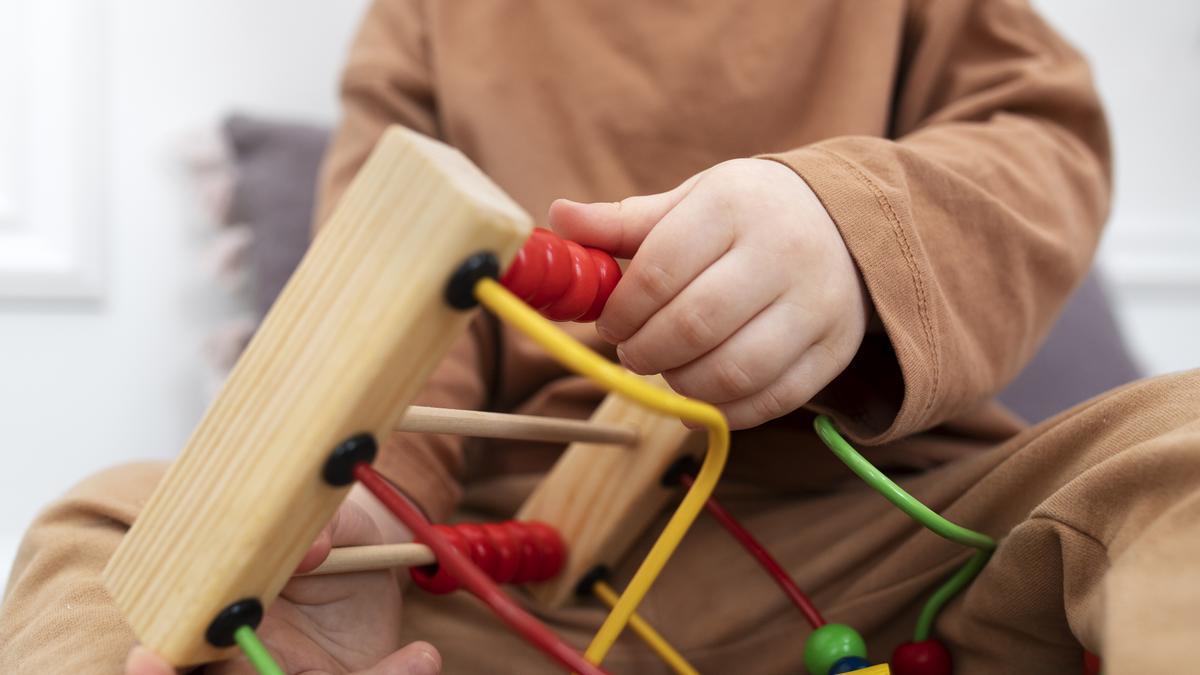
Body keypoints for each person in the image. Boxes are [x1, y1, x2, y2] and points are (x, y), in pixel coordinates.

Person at [3, 1, 1198, 673]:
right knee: (111, 528)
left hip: (884, 536)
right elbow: (381, 279)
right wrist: (362, 509)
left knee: (1181, 447)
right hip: (512, 580)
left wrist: (856, 231)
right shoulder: (426, 19)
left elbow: (1040, 145)